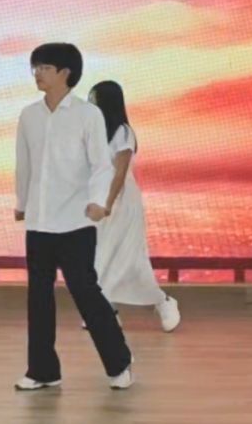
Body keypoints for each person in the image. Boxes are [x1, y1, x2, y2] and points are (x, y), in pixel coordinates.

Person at [14, 43, 134, 391]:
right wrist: (22, 202)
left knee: (85, 292)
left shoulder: (88, 115)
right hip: (39, 222)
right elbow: (24, 163)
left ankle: (119, 363)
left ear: (65, 73)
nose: (37, 74)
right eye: (35, 67)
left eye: (45, 68)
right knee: (38, 297)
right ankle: (43, 371)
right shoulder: (29, 115)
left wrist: (98, 202)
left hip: (75, 221)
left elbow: (101, 165)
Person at [88, 80, 181, 333]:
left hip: (121, 201)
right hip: (99, 200)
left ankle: (163, 301)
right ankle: (106, 310)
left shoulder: (123, 132)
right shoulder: (96, 133)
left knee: (130, 259)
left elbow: (119, 173)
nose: (90, 104)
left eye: (94, 99)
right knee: (100, 256)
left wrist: (108, 203)